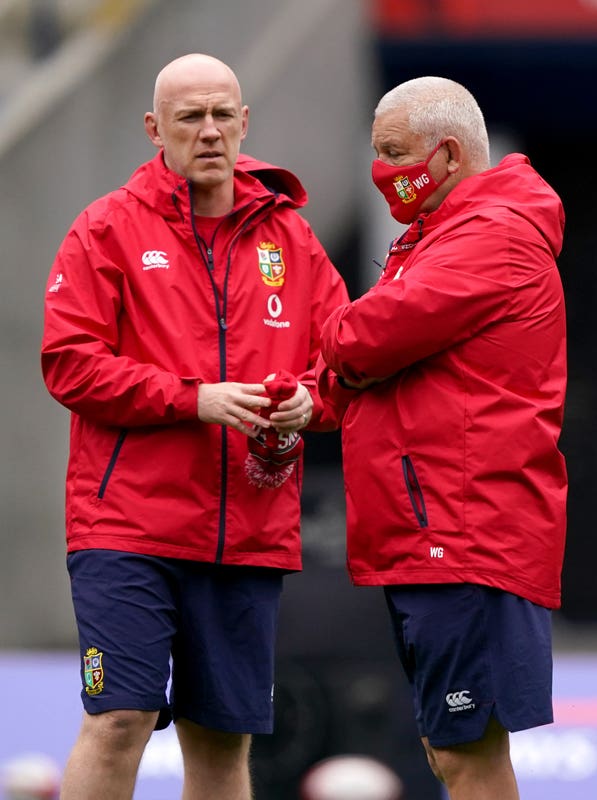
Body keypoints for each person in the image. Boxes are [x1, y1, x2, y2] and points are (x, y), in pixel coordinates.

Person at [41, 53, 348, 800]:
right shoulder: (105, 230)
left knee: (221, 740)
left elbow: (345, 364)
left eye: (221, 115)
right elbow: (68, 363)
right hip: (128, 529)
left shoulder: (294, 242)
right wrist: (194, 398)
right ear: (156, 130)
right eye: (189, 117)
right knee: (119, 719)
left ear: (244, 123)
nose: (208, 132)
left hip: (247, 530)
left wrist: (313, 404)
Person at [318, 77, 567, 800]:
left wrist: (339, 338)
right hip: (442, 533)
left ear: (448, 154)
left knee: (467, 757)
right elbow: (373, 359)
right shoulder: (447, 235)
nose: (381, 171)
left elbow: (362, 336)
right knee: (449, 748)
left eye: (394, 153)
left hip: (463, 533)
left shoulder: (489, 235)